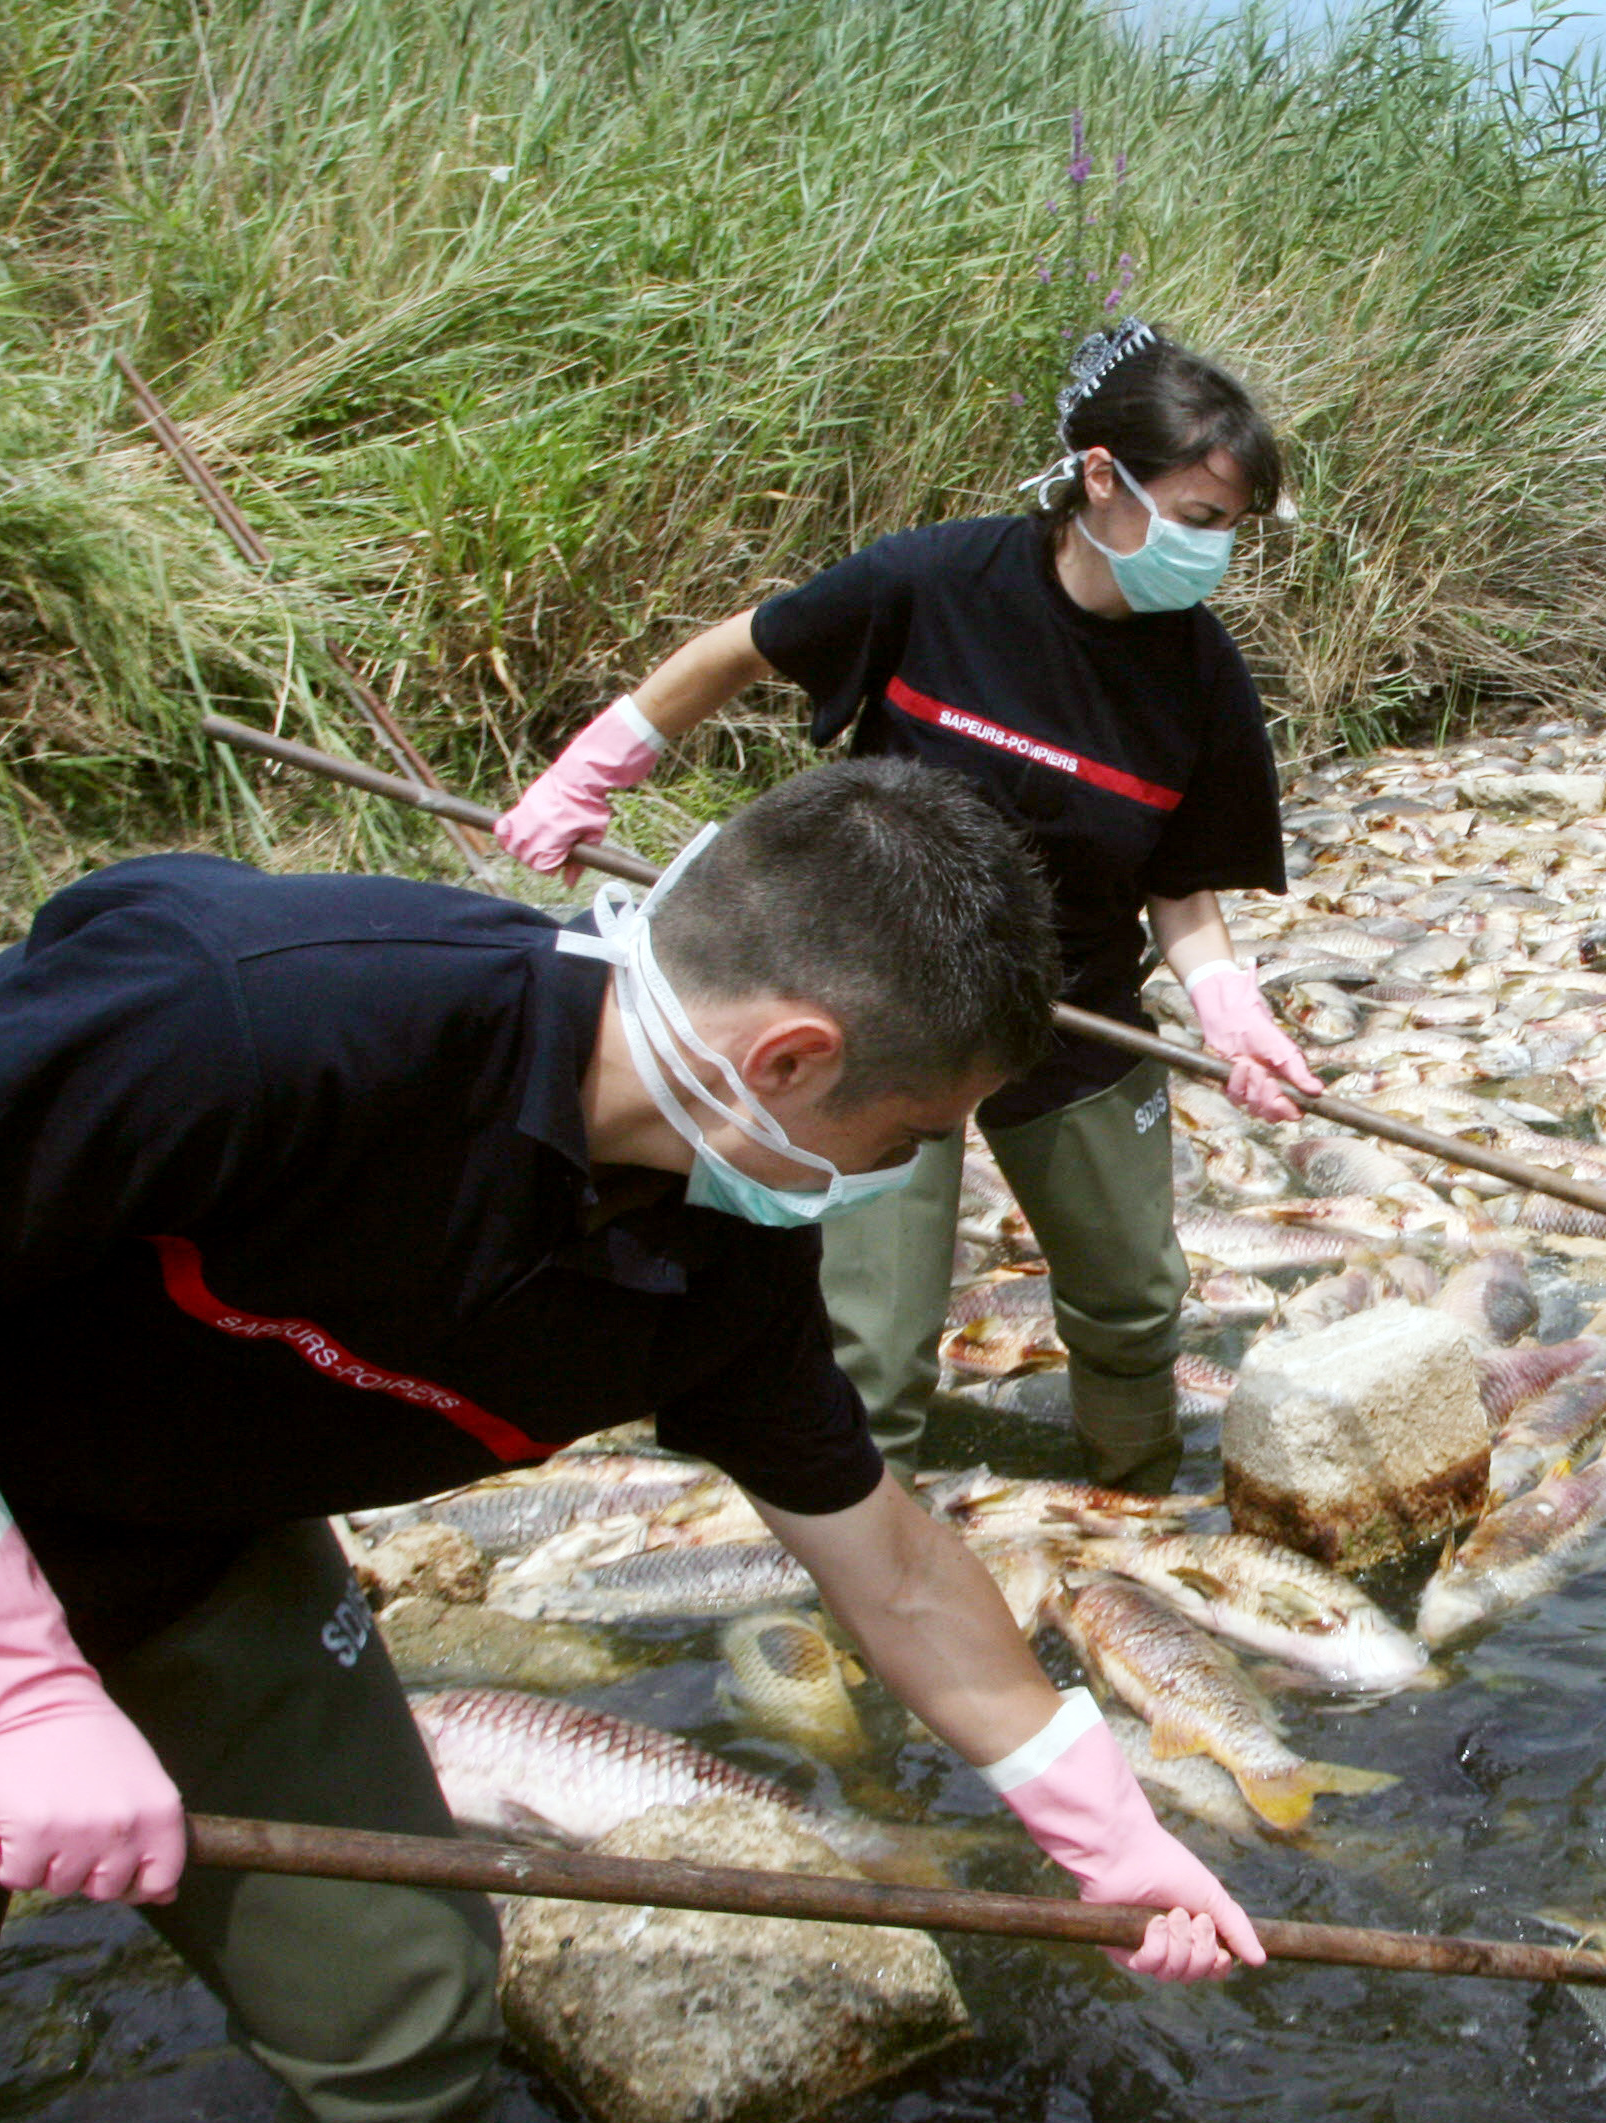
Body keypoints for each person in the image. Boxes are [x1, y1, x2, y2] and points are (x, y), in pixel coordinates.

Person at [0, 760, 1263, 2123]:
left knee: (400, 2010)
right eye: (916, 1133)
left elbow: (893, 1564)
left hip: (198, 1541)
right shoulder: (264, 1024)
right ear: (789, 1057)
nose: (915, 1176)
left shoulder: (716, 1261)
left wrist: (1104, 1827)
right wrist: (21, 1691)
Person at [496, 321, 1320, 1495]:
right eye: (1196, 518)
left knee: (1135, 1296)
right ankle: (846, 1576)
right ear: (1102, 477)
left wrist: (1228, 1004)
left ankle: (1134, 1500)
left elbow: (1179, 890)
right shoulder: (940, 582)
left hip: (1071, 1006)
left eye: (1229, 529)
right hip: (889, 1001)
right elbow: (743, 646)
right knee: (869, 1342)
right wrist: (598, 766)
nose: (1212, 550)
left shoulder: (1203, 681)